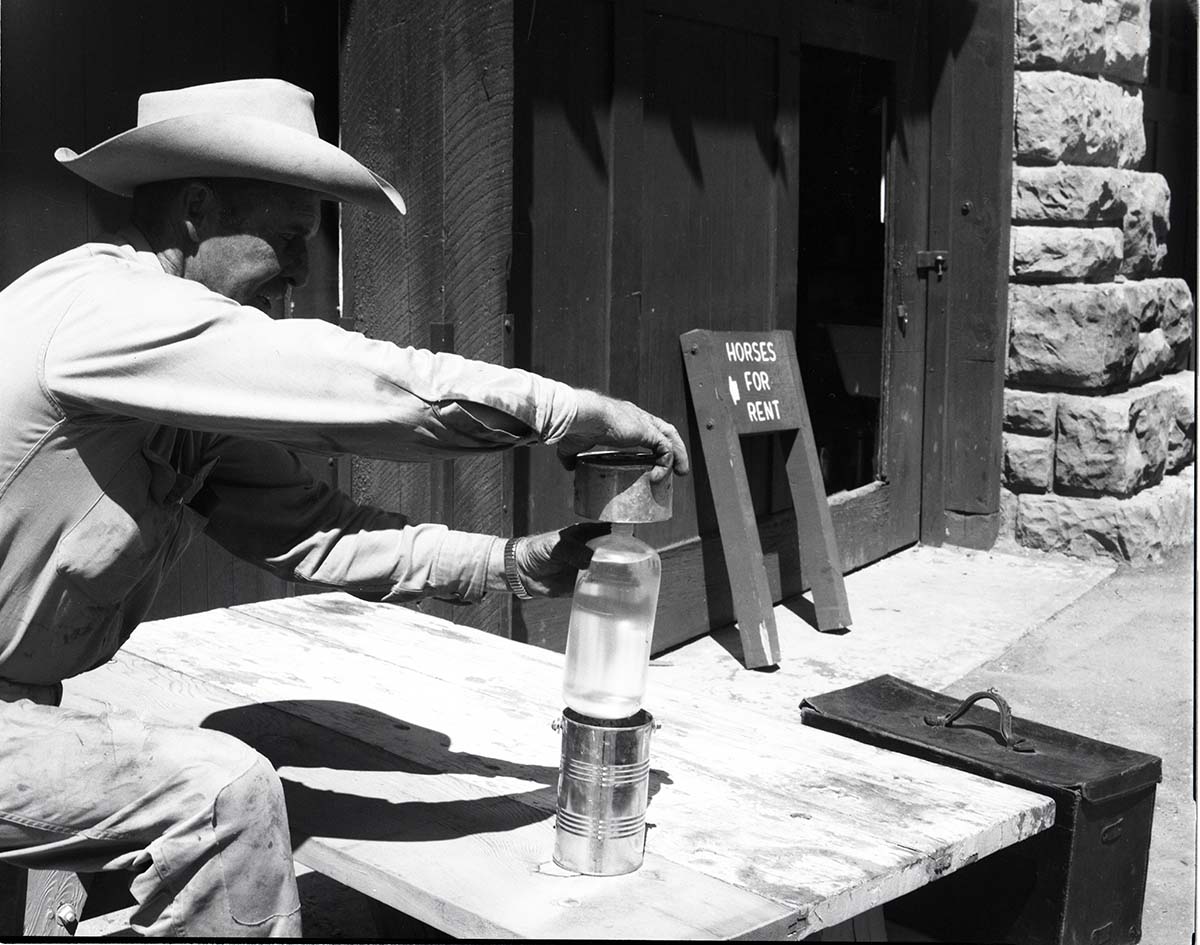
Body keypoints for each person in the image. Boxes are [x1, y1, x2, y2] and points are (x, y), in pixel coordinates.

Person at [0, 78, 688, 937]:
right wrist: (570, 409)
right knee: (223, 796)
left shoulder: (168, 384)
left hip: (21, 705)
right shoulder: (111, 310)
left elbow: (314, 531)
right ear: (196, 210)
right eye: (287, 238)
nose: (298, 272)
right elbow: (374, 390)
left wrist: (510, 563)